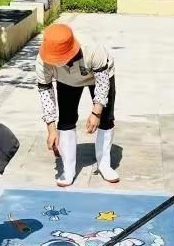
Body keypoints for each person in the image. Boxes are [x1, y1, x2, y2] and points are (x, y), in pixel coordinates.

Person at [36, 23, 119, 187]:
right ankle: (68, 170)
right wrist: (51, 129)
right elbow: (45, 92)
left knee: (106, 118)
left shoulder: (93, 49)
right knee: (66, 120)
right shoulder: (42, 60)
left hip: (99, 75)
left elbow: (102, 84)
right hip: (66, 81)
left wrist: (96, 113)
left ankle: (104, 164)